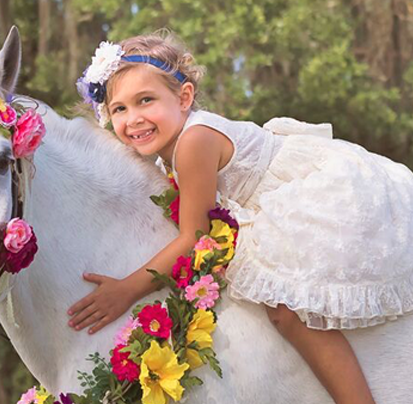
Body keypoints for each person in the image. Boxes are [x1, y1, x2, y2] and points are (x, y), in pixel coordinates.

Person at [68, 31, 413, 404]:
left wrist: (126, 289)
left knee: (288, 309)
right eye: (119, 109)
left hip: (298, 193)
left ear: (184, 98)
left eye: (145, 101)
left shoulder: (193, 141)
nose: (133, 119)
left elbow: (193, 237)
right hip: (264, 203)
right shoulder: (165, 151)